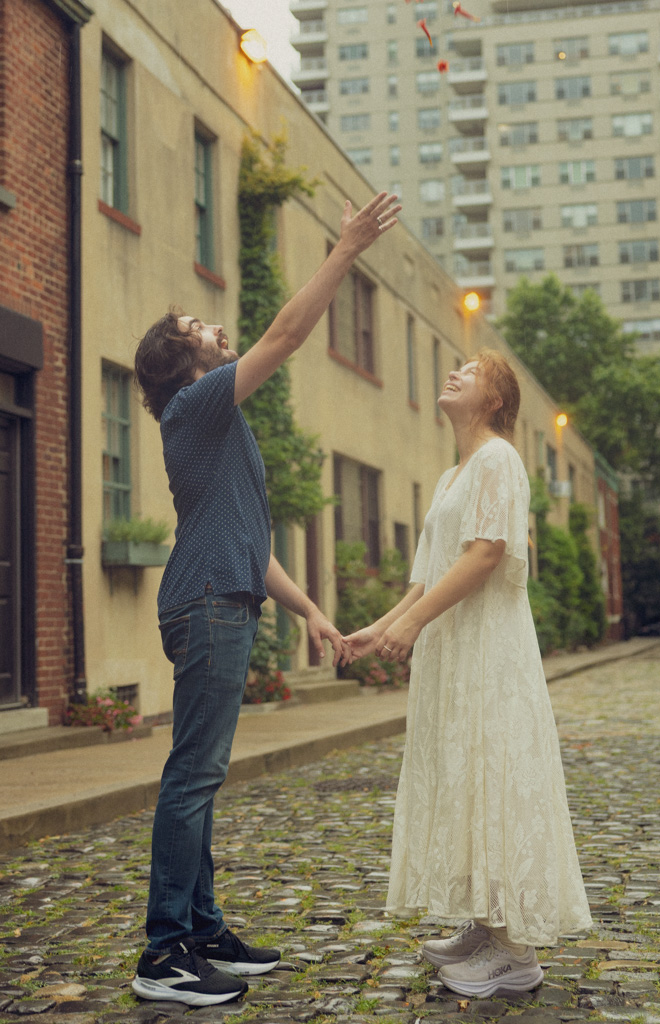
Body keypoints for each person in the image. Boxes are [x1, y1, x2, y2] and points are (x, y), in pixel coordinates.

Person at [130, 191, 400, 1007]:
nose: (214, 327)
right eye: (196, 329)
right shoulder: (196, 401)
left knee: (200, 776)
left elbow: (250, 540)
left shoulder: (218, 419)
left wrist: (311, 610)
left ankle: (203, 926)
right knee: (193, 774)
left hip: (223, 594)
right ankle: (164, 952)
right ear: (184, 362)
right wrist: (344, 249)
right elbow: (286, 335)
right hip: (208, 604)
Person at [345, 350, 592, 999]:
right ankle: (485, 926)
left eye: (470, 370)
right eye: (451, 365)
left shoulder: (498, 459)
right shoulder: (452, 473)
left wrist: (413, 624)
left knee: (495, 774)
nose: (453, 372)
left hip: (488, 652)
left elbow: (485, 555)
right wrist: (385, 624)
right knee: (465, 779)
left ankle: (515, 951)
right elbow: (427, 576)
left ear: (495, 400)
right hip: (452, 654)